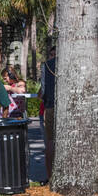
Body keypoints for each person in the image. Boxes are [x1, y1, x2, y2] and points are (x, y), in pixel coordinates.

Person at [40, 40, 57, 181]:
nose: (51, 57)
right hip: (64, 107)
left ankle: (50, 177)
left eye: (53, 54)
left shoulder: (46, 66)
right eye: (50, 54)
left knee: (50, 143)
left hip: (50, 106)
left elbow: (43, 90)